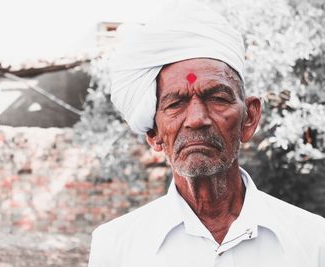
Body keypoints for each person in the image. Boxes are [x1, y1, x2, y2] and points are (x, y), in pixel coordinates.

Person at [88, 1, 325, 266]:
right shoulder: (116, 247)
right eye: (175, 103)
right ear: (154, 134)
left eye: (217, 98)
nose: (197, 119)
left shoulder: (313, 242)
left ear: (249, 118)